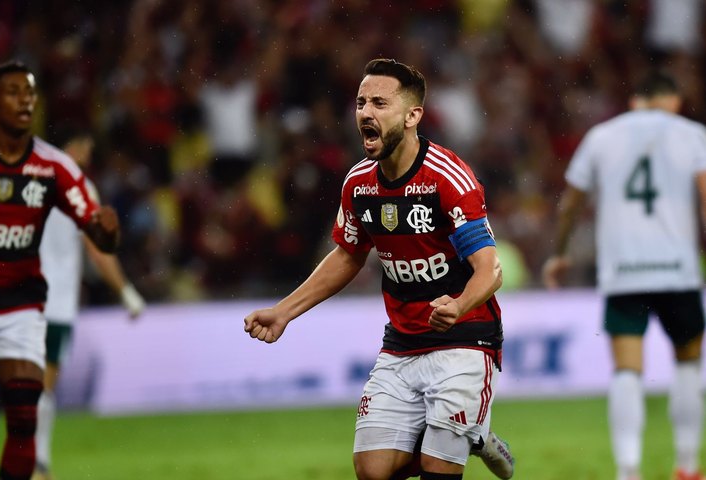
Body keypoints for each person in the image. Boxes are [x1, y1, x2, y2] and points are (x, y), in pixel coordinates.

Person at [244, 58, 514, 480]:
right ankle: (469, 436)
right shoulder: (358, 183)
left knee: (437, 470)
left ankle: (463, 437)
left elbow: (490, 270)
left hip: (465, 338)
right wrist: (283, 312)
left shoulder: (448, 178)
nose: (366, 112)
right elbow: (348, 255)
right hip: (402, 343)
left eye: (380, 103)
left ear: (412, 116)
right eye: (360, 103)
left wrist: (459, 306)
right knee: (372, 471)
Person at [0, 60, 119, 480]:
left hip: (22, 302)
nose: (25, 101)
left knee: (25, 407)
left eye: (30, 93)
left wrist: (107, 232)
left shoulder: (55, 168)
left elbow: (94, 227)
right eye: (14, 92)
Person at [542, 71, 706, 480]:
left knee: (626, 370)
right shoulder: (692, 134)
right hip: (678, 271)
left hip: (624, 272)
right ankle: (686, 466)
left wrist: (559, 254)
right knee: (687, 365)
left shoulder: (602, 136)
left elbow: (570, 204)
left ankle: (628, 471)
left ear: (635, 100)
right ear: (674, 101)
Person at [32, 131, 146, 480]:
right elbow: (97, 248)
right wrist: (125, 290)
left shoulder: (28, 182)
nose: (87, 154)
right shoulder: (79, 188)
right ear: (69, 147)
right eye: (84, 146)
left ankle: (30, 462)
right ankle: (37, 464)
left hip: (19, 298)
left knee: (25, 383)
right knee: (44, 385)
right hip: (57, 302)